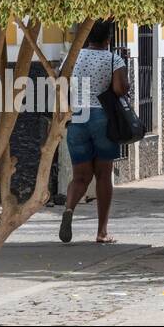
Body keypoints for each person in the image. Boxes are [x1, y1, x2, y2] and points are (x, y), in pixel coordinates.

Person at [60, 18, 127, 245]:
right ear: (108, 39)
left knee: (80, 176)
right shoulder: (112, 59)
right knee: (103, 175)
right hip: (102, 118)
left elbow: (62, 83)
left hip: (77, 118)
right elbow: (119, 89)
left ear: (87, 37)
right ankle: (102, 231)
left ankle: (69, 209)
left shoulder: (73, 57)